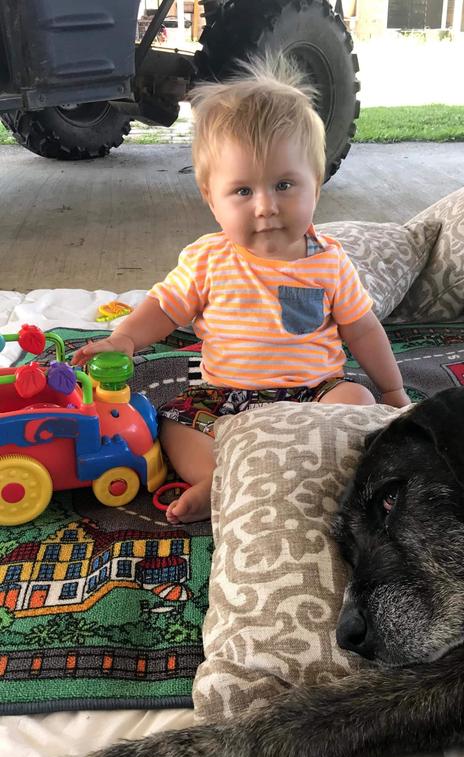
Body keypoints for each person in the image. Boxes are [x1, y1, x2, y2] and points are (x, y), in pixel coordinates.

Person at [71, 56, 410, 524]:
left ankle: (297, 475)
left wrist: (392, 390)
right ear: (212, 199)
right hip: (224, 397)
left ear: (318, 185)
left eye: (285, 184)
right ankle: (220, 481)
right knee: (171, 423)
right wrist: (125, 338)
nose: (267, 206)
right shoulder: (208, 259)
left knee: (356, 402)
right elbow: (164, 308)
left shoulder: (329, 263)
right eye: (243, 192)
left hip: (313, 394)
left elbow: (363, 329)